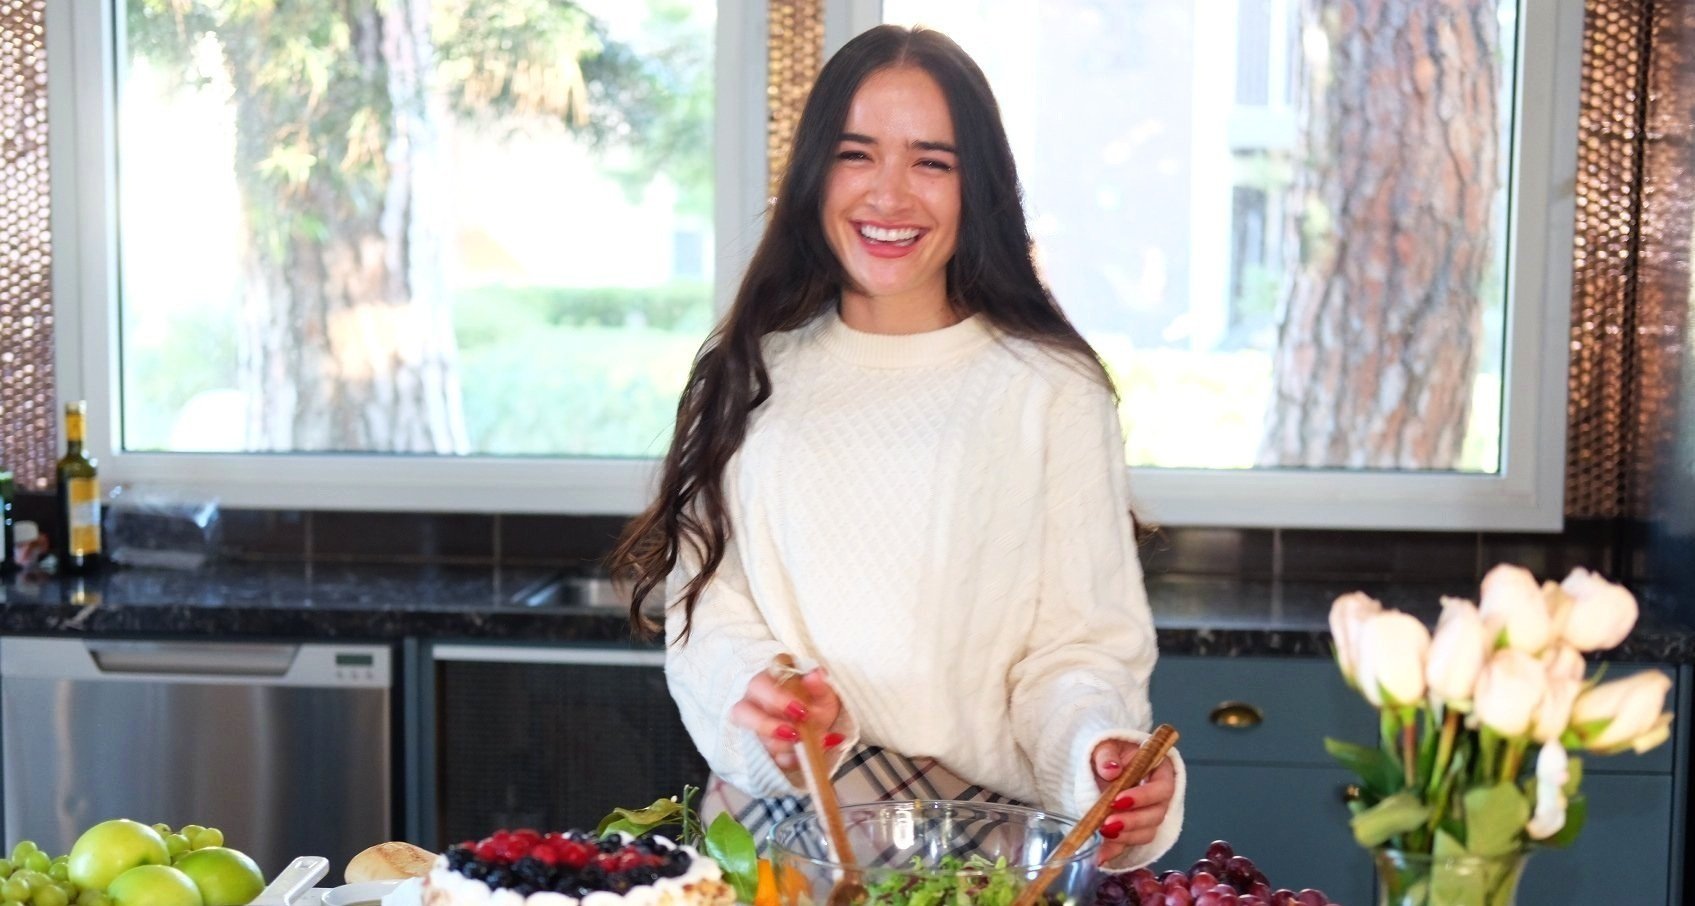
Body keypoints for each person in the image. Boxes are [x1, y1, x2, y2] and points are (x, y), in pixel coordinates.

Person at [610, 24, 1184, 868]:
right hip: (769, 850)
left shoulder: (1050, 389)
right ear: (814, 174)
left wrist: (1097, 751)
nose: (888, 195)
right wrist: (761, 701)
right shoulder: (746, 375)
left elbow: (1078, 647)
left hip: (976, 859)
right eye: (856, 154)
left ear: (977, 187)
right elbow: (708, 615)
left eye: (931, 162)